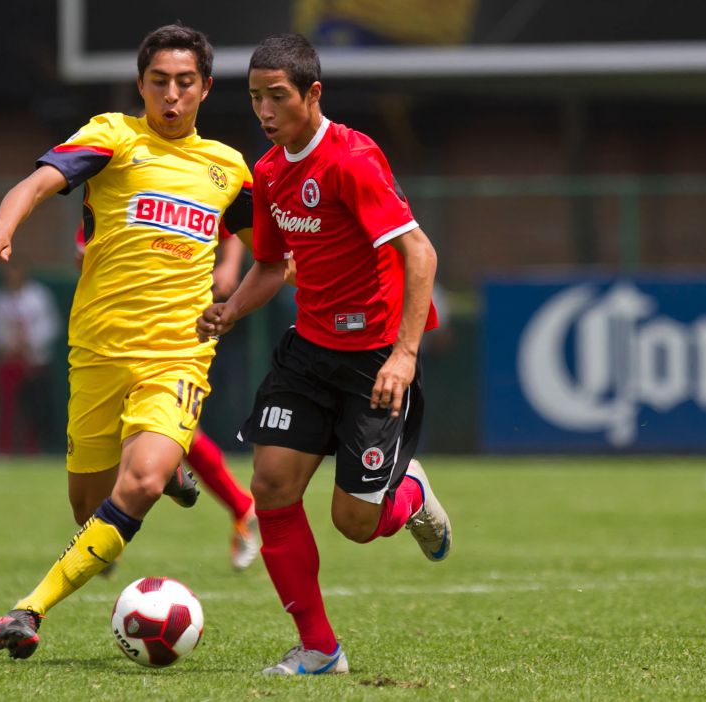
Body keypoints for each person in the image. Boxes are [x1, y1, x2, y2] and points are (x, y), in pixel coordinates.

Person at [0, 24, 253, 659]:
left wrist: (232, 301)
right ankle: (169, 468)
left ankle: (27, 609)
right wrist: (2, 223)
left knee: (142, 483)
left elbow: (276, 249)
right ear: (141, 85)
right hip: (97, 351)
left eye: (185, 83)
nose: (172, 96)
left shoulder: (227, 166)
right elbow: (39, 181)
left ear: (205, 88)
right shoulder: (114, 136)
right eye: (159, 83)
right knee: (86, 509)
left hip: (178, 354)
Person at [197, 33, 452, 675]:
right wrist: (230, 310)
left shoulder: (353, 160)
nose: (264, 111)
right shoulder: (270, 171)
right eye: (254, 98)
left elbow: (419, 254)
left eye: (276, 96)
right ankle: (319, 648)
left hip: (374, 363)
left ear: (313, 94)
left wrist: (405, 355)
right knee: (272, 487)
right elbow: (272, 265)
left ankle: (409, 496)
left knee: (355, 523)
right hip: (308, 354)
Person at [74, 223, 259, 570]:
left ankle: (106, 534)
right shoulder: (108, 190)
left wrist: (230, 265)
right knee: (162, 432)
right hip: (117, 332)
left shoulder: (190, 175)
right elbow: (83, 254)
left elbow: (233, 223)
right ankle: (239, 506)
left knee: (173, 429)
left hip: (176, 328)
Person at [0, 261, 61, 454]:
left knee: (36, 409)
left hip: (35, 363)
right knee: (8, 410)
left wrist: (29, 343)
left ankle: (35, 450)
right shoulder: (0, 299)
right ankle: (5, 449)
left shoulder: (38, 296)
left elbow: (50, 327)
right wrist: (9, 345)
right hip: (9, 362)